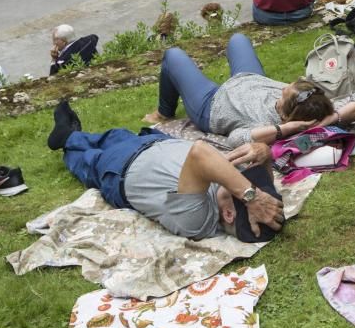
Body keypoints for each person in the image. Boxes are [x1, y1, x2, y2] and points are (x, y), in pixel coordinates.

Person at [48, 100, 286, 242]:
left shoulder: (198, 220)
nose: (248, 183)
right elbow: (262, 177)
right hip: (155, 143)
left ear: (229, 215)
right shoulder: (234, 192)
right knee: (115, 134)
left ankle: (68, 137)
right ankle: (78, 132)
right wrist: (263, 151)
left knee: (85, 157)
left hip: (119, 168)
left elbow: (200, 153)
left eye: (249, 191)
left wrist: (252, 196)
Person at [142, 34, 355, 150]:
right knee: (238, 38)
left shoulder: (265, 125)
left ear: (285, 116)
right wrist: (332, 118)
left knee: (173, 56)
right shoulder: (317, 103)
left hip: (211, 104)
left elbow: (235, 139)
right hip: (249, 78)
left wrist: (281, 130)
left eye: (284, 96)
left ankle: (164, 112)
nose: (282, 89)